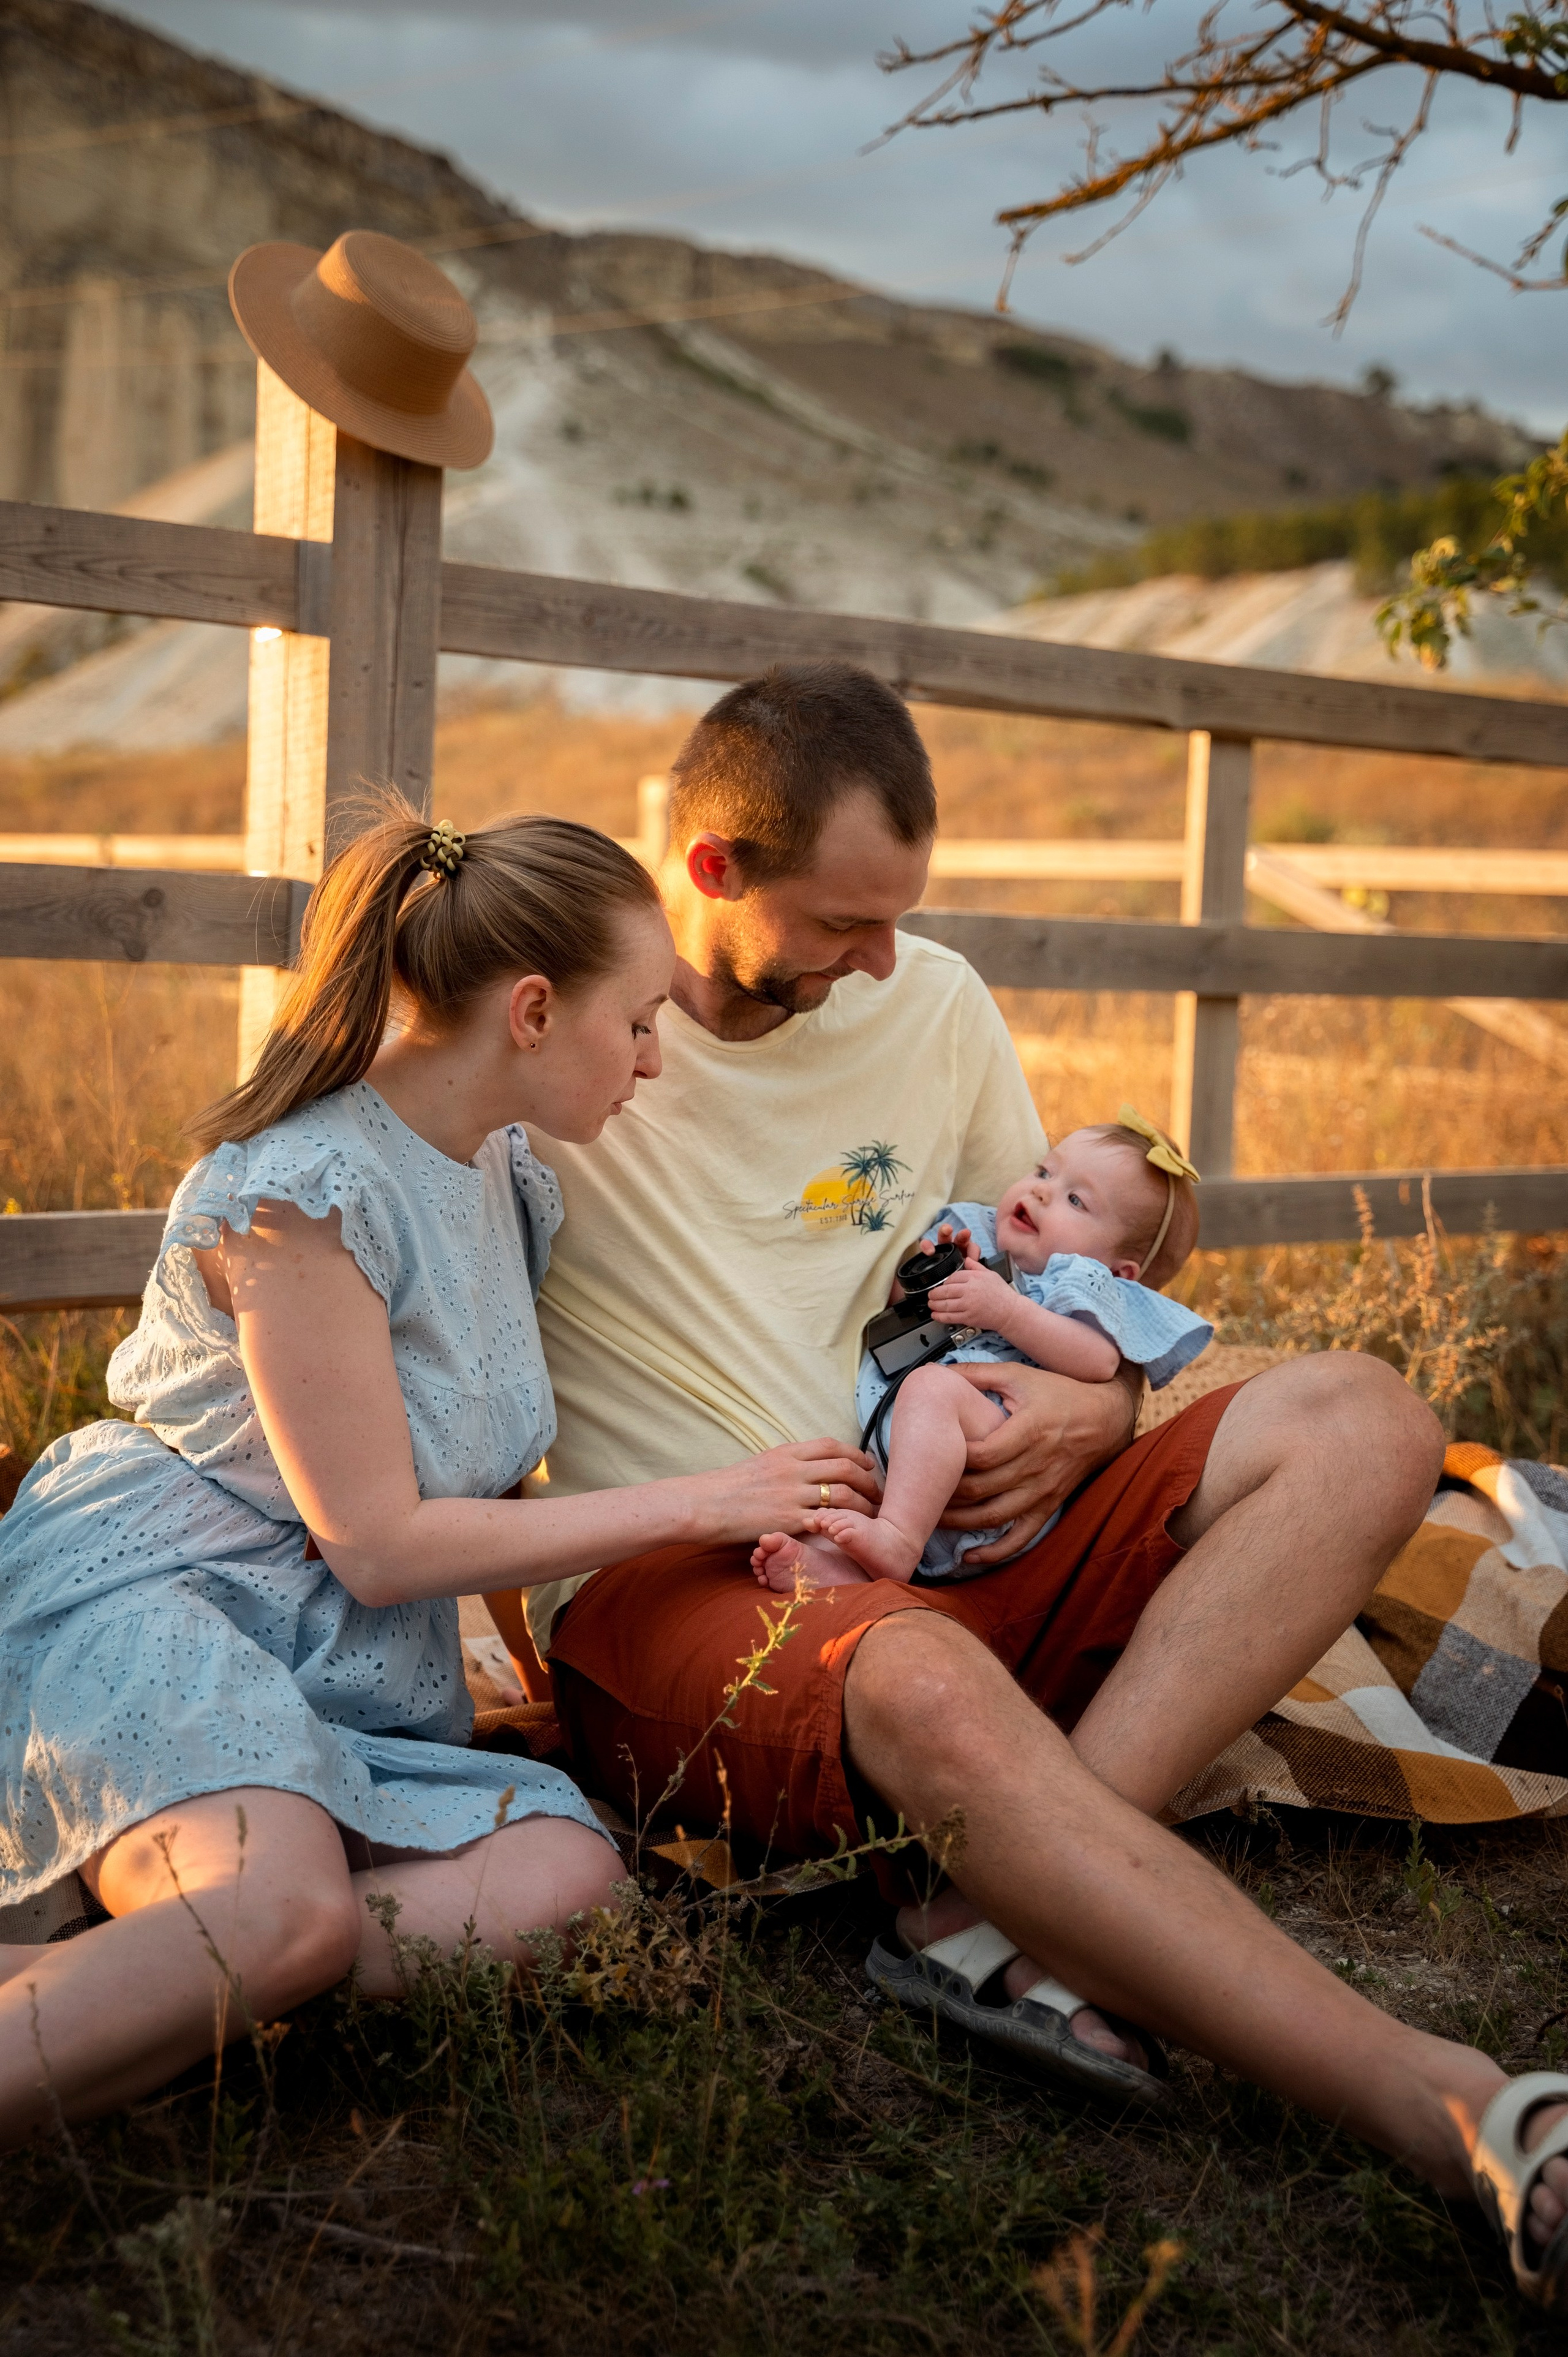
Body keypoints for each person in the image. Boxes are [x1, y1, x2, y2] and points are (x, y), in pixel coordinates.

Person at [494, 661, 1568, 2305]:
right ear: (711, 871)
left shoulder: (928, 998)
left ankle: (984, 1914)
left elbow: (1054, 1274)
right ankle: (1461, 2111)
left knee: (1365, 1420)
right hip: (708, 1587)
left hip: (952, 1526)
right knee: (917, 1673)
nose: (880, 962)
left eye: (898, 919)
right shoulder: (573, 1033)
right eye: (844, 924)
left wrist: (1108, 1405)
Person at [0, 804, 875, 2149]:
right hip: (175, 1605)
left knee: (568, 1875)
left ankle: (146, 1969)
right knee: (287, 1915)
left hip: (347, 1660)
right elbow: (378, 1542)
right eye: (636, 1021)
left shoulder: (499, 1172)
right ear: (531, 1011)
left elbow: (473, 1483)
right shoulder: (298, 1194)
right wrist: (714, 1498)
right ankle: (214, 1945)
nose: (653, 1059)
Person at [752, 1115, 1212, 1591]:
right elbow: (893, 1310)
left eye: (1076, 1200)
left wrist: (1010, 1312)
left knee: (932, 1390)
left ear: (1122, 1270)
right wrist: (932, 1277)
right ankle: (833, 1568)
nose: (1041, 1193)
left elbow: (1099, 1363)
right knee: (846, 1503)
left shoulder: (1081, 1283)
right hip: (907, 1468)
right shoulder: (979, 1235)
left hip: (991, 1475)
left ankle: (896, 1543)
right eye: (1044, 1172)